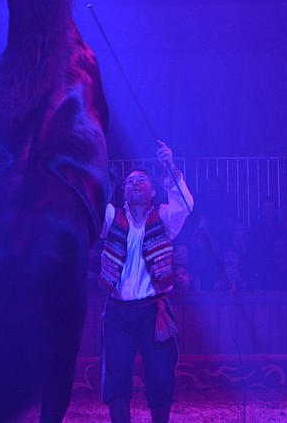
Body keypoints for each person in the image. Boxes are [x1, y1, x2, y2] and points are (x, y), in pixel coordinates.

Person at [98, 141, 193, 423]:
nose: (134, 184)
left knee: (161, 376)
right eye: (129, 182)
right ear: (123, 191)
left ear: (152, 191)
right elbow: (89, 208)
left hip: (154, 311)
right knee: (116, 377)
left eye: (141, 181)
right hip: (118, 312)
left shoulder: (164, 217)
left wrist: (169, 167)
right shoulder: (112, 216)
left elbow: (186, 204)